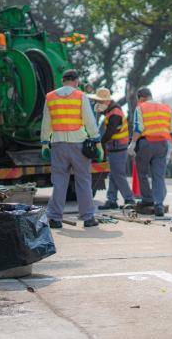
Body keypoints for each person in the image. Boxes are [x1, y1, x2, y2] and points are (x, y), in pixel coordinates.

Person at [41, 69, 102, 228]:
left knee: (60, 181)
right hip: (78, 144)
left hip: (58, 145)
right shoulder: (80, 95)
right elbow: (89, 121)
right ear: (76, 81)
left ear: (62, 81)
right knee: (83, 180)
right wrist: (97, 141)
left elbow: (46, 122)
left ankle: (55, 218)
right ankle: (88, 218)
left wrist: (44, 142)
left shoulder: (50, 97)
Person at [128, 87, 172, 217]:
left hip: (146, 143)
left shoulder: (141, 107)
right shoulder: (166, 108)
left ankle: (147, 199)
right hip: (162, 144)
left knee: (143, 173)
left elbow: (138, 127)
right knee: (158, 176)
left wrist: (132, 143)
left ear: (141, 98)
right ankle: (159, 204)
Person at [89, 88, 136, 210]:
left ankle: (129, 199)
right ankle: (112, 200)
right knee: (113, 175)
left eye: (98, 102)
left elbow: (109, 133)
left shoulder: (115, 114)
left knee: (118, 175)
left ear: (106, 102)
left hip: (118, 148)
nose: (96, 104)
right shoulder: (111, 112)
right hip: (116, 147)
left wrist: (100, 143)